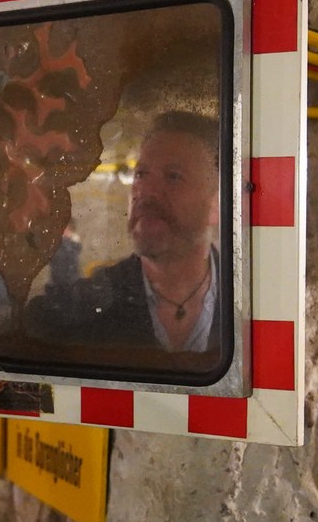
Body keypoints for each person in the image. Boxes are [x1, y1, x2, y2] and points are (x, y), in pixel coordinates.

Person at [25, 110, 222, 354]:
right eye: (140, 174)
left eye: (173, 176)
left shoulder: (249, 301)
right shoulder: (80, 311)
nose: (145, 190)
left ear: (217, 204)